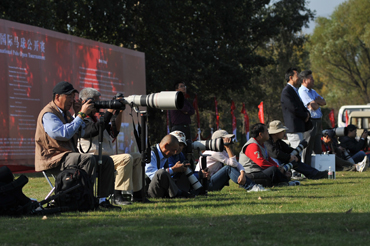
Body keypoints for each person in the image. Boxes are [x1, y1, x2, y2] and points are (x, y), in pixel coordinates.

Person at [34, 81, 119, 210]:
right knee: (87, 159)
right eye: (69, 97)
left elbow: (83, 131)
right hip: (53, 159)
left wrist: (79, 112)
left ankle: (102, 200)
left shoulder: (66, 113)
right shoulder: (48, 114)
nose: (72, 101)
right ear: (57, 97)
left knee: (106, 161)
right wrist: (80, 115)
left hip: (66, 157)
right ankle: (86, 199)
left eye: (73, 98)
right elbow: (63, 134)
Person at [78, 88, 147, 205]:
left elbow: (114, 131)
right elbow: (94, 130)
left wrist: (118, 111)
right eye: (96, 101)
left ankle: (138, 194)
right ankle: (116, 195)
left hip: (106, 158)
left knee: (137, 157)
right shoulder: (80, 119)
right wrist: (109, 111)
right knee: (126, 158)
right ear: (86, 101)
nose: (99, 104)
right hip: (93, 159)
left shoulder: (96, 118)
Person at [194, 130, 266, 192]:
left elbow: (237, 164)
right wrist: (228, 147)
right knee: (228, 168)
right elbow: (233, 164)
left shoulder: (221, 152)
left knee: (229, 167)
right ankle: (251, 187)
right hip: (206, 185)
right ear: (219, 140)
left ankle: (252, 186)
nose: (229, 140)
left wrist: (242, 173)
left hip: (210, 182)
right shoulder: (214, 152)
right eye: (226, 139)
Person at [281, 67, 313, 166]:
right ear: (291, 77)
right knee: (296, 151)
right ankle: (296, 172)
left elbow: (301, 105)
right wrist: (305, 115)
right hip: (293, 127)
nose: (299, 77)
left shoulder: (294, 90)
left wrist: (307, 114)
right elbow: (293, 108)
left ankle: (300, 171)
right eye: (297, 75)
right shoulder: (287, 91)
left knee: (300, 151)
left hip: (299, 126)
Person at [145, 134, 194, 198]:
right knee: (161, 173)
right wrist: (173, 169)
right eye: (173, 150)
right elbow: (153, 176)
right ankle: (178, 193)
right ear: (166, 146)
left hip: (160, 188)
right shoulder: (151, 154)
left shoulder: (164, 155)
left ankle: (183, 192)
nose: (174, 153)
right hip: (149, 190)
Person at [298, 70, 326, 157]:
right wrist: (317, 102)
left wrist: (315, 101)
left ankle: (318, 168)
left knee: (318, 148)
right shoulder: (302, 91)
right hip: (311, 121)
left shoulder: (313, 91)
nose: (313, 80)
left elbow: (324, 102)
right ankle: (307, 167)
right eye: (311, 78)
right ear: (304, 80)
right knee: (308, 147)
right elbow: (314, 106)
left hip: (318, 121)